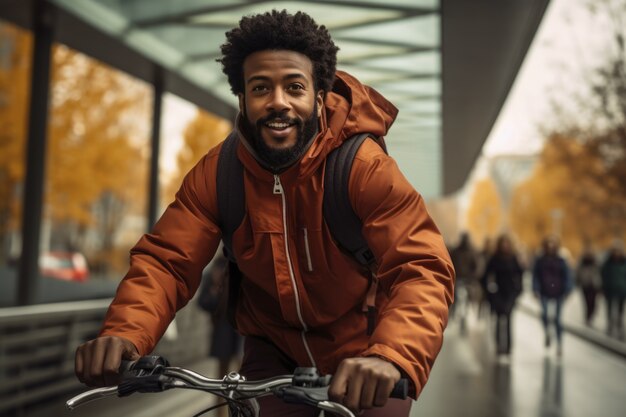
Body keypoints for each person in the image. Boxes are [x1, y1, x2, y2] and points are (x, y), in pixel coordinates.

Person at [73, 10, 455, 417]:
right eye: (260, 88)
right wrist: (123, 333)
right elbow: (167, 261)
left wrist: (392, 356)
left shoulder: (361, 168)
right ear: (242, 98)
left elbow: (421, 266)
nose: (278, 102)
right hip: (272, 358)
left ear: (319, 97)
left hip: (365, 355)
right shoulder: (219, 174)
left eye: (294, 87)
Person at [196, 251, 242, 394]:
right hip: (224, 328)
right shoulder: (215, 269)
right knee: (223, 378)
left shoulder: (246, 266)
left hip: (243, 329)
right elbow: (203, 301)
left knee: (245, 373)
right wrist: (215, 295)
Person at [480, 234, 523, 357]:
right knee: (499, 320)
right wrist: (490, 291)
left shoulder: (513, 258)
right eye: (503, 243)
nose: (505, 245)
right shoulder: (494, 258)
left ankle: (509, 347)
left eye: (506, 243)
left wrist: (518, 289)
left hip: (510, 294)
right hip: (497, 293)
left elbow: (520, 273)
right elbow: (484, 277)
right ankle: (499, 346)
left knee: (509, 319)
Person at [532, 236, 573, 356]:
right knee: (544, 315)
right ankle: (547, 333)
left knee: (558, 319)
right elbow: (535, 275)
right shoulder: (540, 260)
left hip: (558, 292)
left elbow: (567, 276)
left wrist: (568, 289)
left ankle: (559, 344)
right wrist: (535, 289)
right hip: (544, 291)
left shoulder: (561, 260)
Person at [449, 232, 478, 333]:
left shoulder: (469, 251)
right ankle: (454, 314)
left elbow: (474, 266)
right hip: (458, 279)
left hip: (467, 280)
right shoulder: (457, 251)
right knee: (455, 298)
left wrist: (472, 277)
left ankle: (465, 316)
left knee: (468, 298)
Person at [600, 241, 626, 339]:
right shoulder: (607, 263)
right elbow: (603, 275)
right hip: (610, 290)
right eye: (615, 251)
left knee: (620, 311)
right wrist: (603, 287)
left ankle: (620, 329)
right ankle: (610, 327)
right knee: (609, 310)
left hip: (622, 290)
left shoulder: (624, 262)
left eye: (618, 251)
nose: (617, 253)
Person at [575, 248, 601, 326]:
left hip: (594, 285)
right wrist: (578, 281)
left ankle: (591, 316)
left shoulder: (596, 262)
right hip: (585, 285)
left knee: (593, 302)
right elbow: (578, 272)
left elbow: (600, 273)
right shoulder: (582, 262)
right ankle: (587, 317)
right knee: (587, 302)